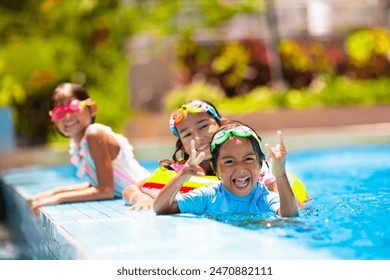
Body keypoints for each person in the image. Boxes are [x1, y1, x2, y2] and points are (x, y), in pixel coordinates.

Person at [122, 100, 284, 209]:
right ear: (182, 145)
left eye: (203, 126)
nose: (197, 138)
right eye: (187, 134)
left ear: (222, 124)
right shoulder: (178, 171)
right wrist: (141, 198)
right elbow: (131, 188)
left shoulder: (252, 171)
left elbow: (281, 203)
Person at [27, 83, 151, 213]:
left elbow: (106, 190)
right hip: (135, 193)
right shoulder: (79, 145)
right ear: (53, 119)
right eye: (59, 112)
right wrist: (53, 192)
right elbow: (96, 185)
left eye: (73, 106)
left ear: (92, 108)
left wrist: (59, 198)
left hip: (148, 190)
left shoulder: (94, 134)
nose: (67, 116)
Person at [153, 121, 299, 217]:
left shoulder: (264, 199)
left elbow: (289, 217)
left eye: (248, 159)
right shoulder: (209, 196)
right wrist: (182, 176)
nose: (240, 168)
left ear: (260, 165)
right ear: (215, 169)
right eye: (229, 161)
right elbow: (160, 208)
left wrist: (280, 175)